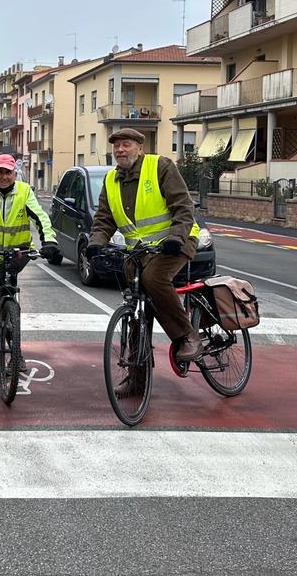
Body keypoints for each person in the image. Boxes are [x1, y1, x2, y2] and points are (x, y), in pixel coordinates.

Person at [86, 127, 202, 395]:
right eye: (116, 146)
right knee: (137, 311)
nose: (120, 150)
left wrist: (176, 236)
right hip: (140, 251)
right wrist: (95, 243)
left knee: (154, 280)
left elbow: (183, 207)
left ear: (140, 147)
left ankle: (188, 336)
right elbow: (104, 218)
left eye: (126, 144)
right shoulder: (112, 180)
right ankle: (137, 380)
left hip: (177, 242)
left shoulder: (159, 166)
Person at [0, 153, 59, 373]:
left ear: (15, 173)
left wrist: (49, 241)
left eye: (8, 172)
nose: (4, 177)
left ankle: (15, 354)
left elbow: (40, 216)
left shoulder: (24, 191)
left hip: (17, 253)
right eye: (0, 172)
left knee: (6, 295)